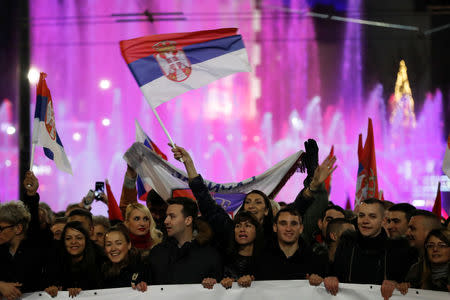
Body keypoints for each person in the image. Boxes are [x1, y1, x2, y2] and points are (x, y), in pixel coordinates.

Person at [329, 199, 417, 295]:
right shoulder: (347, 243)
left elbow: (408, 286)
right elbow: (334, 275)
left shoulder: (397, 249)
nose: (365, 221)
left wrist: (397, 284)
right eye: (361, 216)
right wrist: (331, 278)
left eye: (372, 216)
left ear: (383, 220)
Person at [0, 171, 53, 298]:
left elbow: (33, 222)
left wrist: (31, 194)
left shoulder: (37, 246)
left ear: (18, 228)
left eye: (1, 228)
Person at [147, 197, 222, 285]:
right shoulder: (157, 252)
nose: (166, 221)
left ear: (188, 220)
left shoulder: (210, 255)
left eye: (172, 216)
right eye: (166, 216)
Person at [255, 206, 327, 280]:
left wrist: (320, 281)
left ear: (301, 228)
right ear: (275, 227)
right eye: (283, 223)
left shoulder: (316, 260)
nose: (288, 229)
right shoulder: (259, 258)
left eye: (294, 224)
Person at [45, 221, 106, 298]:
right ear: (63, 242)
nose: (73, 242)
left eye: (79, 238)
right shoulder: (55, 263)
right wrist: (52, 289)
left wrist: (81, 291)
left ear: (86, 241)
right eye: (68, 238)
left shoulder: (100, 263)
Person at [392, 229, 450, 295]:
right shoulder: (416, 270)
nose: (435, 249)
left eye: (442, 245)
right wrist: (403, 287)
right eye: (430, 246)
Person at [220, 211, 263, 289]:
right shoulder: (223, 257)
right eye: (238, 226)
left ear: (256, 231)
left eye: (247, 225)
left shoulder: (266, 259)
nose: (242, 229)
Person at [101, 225, 148, 291]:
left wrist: (144, 286)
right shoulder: (100, 271)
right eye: (109, 244)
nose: (113, 248)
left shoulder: (144, 267)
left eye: (118, 243)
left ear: (129, 245)